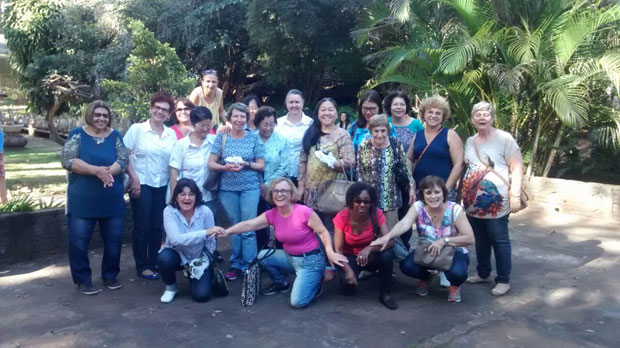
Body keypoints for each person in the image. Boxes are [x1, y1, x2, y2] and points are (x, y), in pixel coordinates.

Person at [212, 177, 348, 308]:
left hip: (310, 261)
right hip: (289, 257)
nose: (279, 194)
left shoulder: (304, 212)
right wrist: (227, 232)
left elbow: (323, 232)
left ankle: (316, 281)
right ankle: (281, 283)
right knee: (262, 256)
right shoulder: (273, 214)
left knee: (297, 302)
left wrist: (330, 252)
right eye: (276, 191)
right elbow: (249, 225)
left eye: (284, 191)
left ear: (291, 194)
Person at [61, 100, 129, 295]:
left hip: (111, 198)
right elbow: (68, 160)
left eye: (105, 115)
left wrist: (108, 172)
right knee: (79, 242)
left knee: (114, 240)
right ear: (90, 115)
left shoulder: (115, 135)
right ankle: (83, 280)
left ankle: (110, 275)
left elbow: (123, 159)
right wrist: (96, 171)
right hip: (83, 199)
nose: (101, 118)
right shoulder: (77, 134)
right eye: (97, 115)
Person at [372, 176, 474, 302]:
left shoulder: (454, 209)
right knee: (407, 266)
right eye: (428, 193)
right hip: (426, 251)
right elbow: (404, 223)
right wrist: (387, 237)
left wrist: (443, 241)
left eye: (437, 192)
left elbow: (470, 238)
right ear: (423, 195)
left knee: (458, 273)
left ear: (444, 193)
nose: (433, 196)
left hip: (453, 251)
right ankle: (426, 277)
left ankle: (455, 285)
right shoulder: (419, 207)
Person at [461, 101, 525, 296]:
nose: (482, 117)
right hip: (473, 202)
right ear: (472, 119)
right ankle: (483, 273)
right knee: (480, 238)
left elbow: (518, 167)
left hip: (497, 201)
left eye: (485, 114)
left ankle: (503, 279)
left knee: (499, 239)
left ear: (492, 117)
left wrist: (515, 195)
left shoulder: (504, 138)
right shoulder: (471, 141)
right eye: (478, 114)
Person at [298, 97, 354, 281]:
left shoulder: (342, 135)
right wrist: (300, 185)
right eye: (323, 110)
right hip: (311, 190)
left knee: (330, 228)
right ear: (317, 113)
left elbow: (350, 161)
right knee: (313, 228)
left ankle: (333, 263)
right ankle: (317, 262)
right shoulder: (311, 133)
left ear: (336, 113)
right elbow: (303, 160)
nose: (327, 113)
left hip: (331, 191)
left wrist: (334, 163)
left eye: (330, 110)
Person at [208, 103, 265, 281]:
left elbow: (261, 164)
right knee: (234, 225)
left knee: (248, 226)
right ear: (229, 118)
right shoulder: (222, 137)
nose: (239, 120)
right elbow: (211, 163)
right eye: (236, 116)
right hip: (228, 188)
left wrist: (247, 164)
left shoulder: (253, 138)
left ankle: (250, 264)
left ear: (247, 119)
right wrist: (225, 168)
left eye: (243, 117)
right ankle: (236, 264)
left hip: (250, 187)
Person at [124, 92, 177, 280]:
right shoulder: (137, 129)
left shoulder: (171, 135)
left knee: (157, 226)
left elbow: (174, 163)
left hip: (162, 185)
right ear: (151, 107)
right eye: (157, 108)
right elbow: (124, 156)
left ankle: (154, 260)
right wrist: (134, 179)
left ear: (169, 114)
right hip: (142, 184)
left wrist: (173, 189)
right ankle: (142, 266)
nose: (160, 112)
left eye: (165, 110)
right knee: (142, 226)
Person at [168, 106, 223, 262]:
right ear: (193, 124)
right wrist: (174, 197)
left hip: (209, 193)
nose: (206, 128)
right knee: (191, 226)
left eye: (208, 124)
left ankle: (210, 254)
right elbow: (174, 172)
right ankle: (188, 258)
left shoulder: (214, 141)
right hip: (188, 195)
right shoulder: (182, 145)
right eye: (202, 125)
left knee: (210, 223)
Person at [333, 183, 397, 310]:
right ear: (351, 201)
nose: (362, 205)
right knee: (347, 288)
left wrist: (370, 248)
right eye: (358, 201)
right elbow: (339, 250)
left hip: (371, 255)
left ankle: (385, 294)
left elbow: (390, 241)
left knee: (386, 255)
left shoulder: (376, 213)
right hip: (351, 256)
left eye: (366, 202)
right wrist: (348, 270)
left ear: (371, 202)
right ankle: (356, 274)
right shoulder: (342, 217)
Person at [157, 178, 219, 303]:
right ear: (176, 197)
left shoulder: (205, 211)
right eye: (182, 194)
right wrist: (205, 232)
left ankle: (193, 273)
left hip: (199, 257)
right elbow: (175, 240)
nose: (187, 198)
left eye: (191, 194)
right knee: (164, 258)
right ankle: (170, 288)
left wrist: (203, 261)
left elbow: (212, 242)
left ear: (196, 197)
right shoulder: (169, 211)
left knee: (202, 296)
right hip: (176, 253)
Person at [356, 114, 414, 229]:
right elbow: (359, 173)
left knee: (390, 233)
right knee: (370, 232)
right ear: (371, 131)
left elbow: (404, 168)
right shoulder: (364, 146)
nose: (380, 134)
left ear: (388, 130)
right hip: (370, 199)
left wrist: (411, 187)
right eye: (376, 131)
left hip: (391, 198)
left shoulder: (395, 143)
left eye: (383, 130)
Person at [407, 95, 463, 201]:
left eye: (438, 113)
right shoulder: (418, 135)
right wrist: (410, 181)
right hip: (420, 191)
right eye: (430, 112)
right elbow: (409, 158)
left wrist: (446, 190)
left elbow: (459, 164)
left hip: (442, 191)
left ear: (443, 116)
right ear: (424, 114)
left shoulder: (450, 135)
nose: (434, 115)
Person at [254, 106, 289, 249]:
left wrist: (268, 184)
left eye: (271, 124)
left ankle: (281, 250)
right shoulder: (251, 138)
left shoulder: (282, 141)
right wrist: (259, 184)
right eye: (265, 124)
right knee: (259, 221)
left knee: (280, 219)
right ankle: (261, 251)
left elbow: (284, 167)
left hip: (276, 186)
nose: (268, 128)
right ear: (258, 123)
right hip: (254, 186)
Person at [273, 89, 312, 184]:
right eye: (291, 102)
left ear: (303, 102)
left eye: (297, 102)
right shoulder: (278, 123)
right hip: (281, 173)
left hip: (304, 174)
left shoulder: (311, 124)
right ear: (286, 103)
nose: (294, 105)